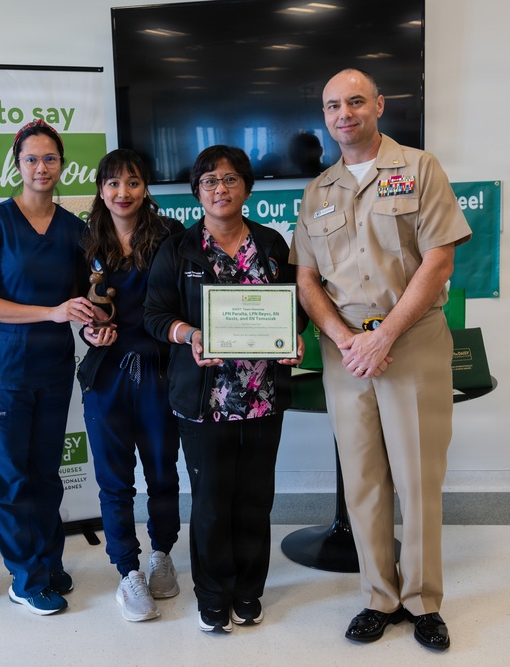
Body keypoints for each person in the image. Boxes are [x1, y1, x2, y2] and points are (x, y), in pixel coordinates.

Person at [289, 69, 471, 651]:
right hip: (346, 352)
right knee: (363, 480)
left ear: (379, 106)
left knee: (417, 479)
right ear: (324, 116)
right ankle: (378, 597)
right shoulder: (318, 191)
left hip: (411, 340)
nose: (344, 113)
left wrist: (383, 335)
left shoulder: (419, 168)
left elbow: (438, 261)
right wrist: (346, 339)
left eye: (355, 101)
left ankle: (422, 601)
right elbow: (307, 279)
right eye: (332, 105)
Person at [144, 145, 306, 633]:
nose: (221, 189)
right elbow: (155, 316)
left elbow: (295, 307)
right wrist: (190, 334)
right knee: (212, 502)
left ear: (247, 187)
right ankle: (213, 594)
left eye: (231, 179)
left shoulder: (272, 244)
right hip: (204, 401)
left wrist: (295, 335)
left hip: (263, 398)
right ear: (197, 191)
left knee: (255, 499)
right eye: (210, 181)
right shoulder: (178, 248)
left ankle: (249, 590)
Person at [0, 119, 94, 616]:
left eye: (50, 158)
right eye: (32, 159)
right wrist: (52, 313)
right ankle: (25, 578)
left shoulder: (74, 229)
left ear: (62, 165)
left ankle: (48, 561)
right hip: (2, 371)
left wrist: (97, 317)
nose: (42, 167)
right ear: (17, 164)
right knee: (12, 479)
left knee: (45, 474)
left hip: (53, 368)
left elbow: (84, 296)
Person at [76, 149, 184, 622]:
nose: (123, 192)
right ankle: (127, 571)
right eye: (114, 183)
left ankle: (162, 554)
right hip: (107, 375)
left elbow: (185, 300)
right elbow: (76, 305)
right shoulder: (84, 240)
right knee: (114, 481)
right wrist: (89, 332)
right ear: (101, 190)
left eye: (133, 182)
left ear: (146, 188)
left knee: (162, 472)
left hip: (160, 371)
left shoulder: (171, 235)